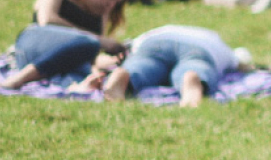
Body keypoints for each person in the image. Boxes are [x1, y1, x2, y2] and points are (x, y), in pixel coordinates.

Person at [2, 0, 132, 89]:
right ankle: (19, 79)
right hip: (34, 44)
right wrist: (99, 40)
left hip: (60, 62)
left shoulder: (102, 15)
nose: (111, 4)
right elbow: (47, 20)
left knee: (86, 63)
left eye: (117, 2)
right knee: (90, 43)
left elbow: (91, 56)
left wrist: (110, 61)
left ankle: (78, 87)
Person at [82, 23, 247, 107]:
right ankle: (190, 81)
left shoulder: (160, 31)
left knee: (142, 65)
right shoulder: (215, 40)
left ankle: (125, 75)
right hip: (199, 49)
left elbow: (124, 51)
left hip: (154, 42)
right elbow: (242, 60)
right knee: (194, 66)